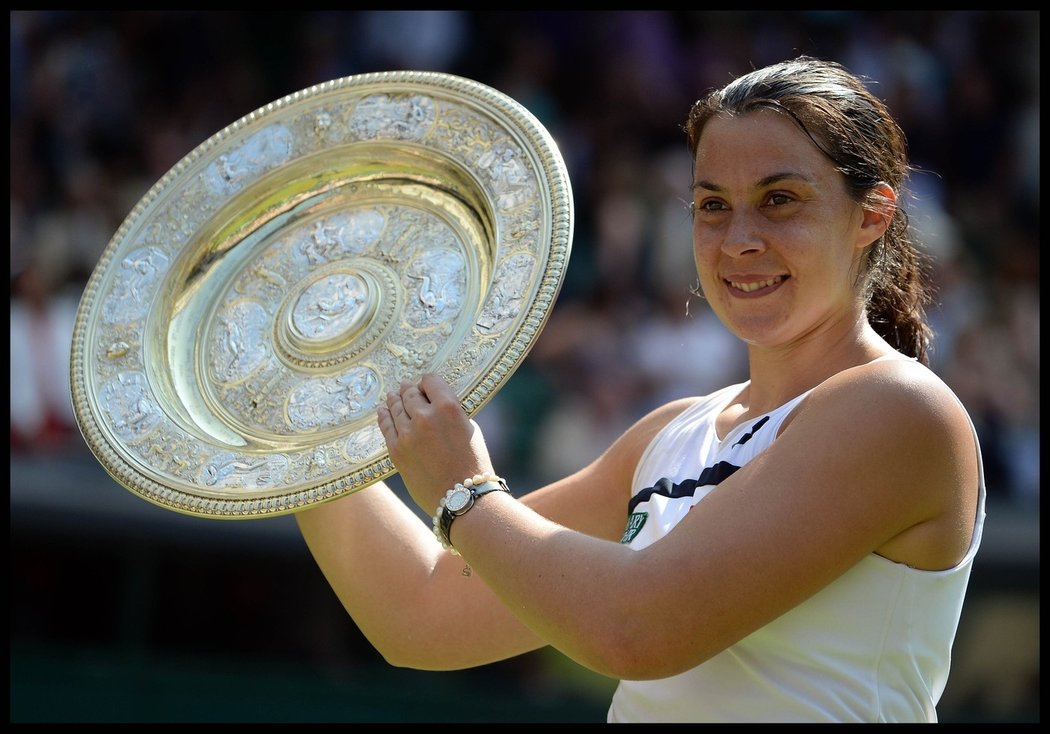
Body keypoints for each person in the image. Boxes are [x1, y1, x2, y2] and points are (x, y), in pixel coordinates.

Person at [295, 56, 986, 723]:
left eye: (780, 200)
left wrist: (464, 489)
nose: (739, 239)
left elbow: (640, 629)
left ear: (872, 214)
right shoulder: (669, 434)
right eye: (712, 205)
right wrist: (294, 430)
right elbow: (423, 614)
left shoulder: (899, 408)